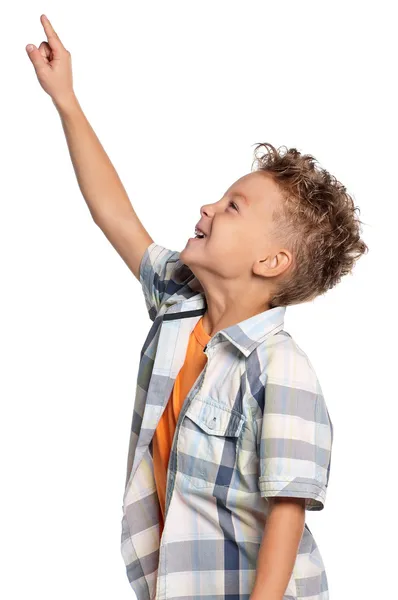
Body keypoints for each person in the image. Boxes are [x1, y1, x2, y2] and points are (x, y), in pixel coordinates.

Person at [26, 14, 368, 600]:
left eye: (233, 206)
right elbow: (116, 216)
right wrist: (67, 102)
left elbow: (288, 510)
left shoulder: (282, 368)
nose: (208, 206)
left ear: (271, 262)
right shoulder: (179, 301)